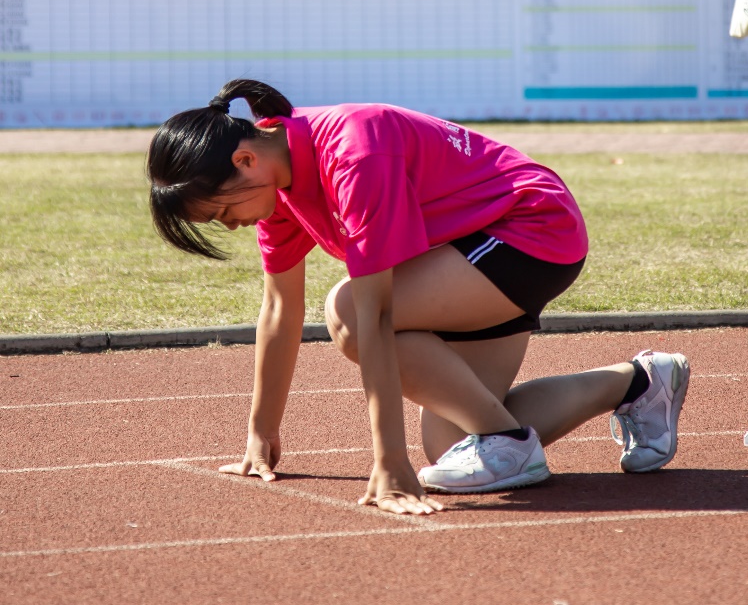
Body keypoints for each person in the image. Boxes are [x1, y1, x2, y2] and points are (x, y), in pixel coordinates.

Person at [145, 80, 693, 508]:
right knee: (452, 443)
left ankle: (510, 444)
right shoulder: (274, 185)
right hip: (470, 252)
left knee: (347, 313)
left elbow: (375, 314)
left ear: (245, 160)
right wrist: (261, 434)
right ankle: (641, 382)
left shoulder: (354, 154)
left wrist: (389, 462)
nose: (230, 225)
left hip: (529, 230)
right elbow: (278, 308)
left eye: (222, 211)